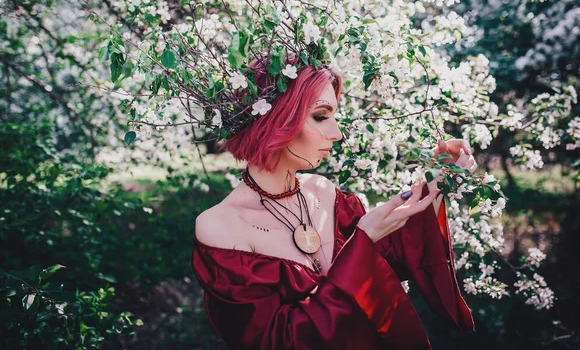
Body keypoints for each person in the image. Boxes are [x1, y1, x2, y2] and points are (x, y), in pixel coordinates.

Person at [192, 58, 477, 349]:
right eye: (320, 116)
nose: (337, 133)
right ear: (275, 117)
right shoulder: (220, 227)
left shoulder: (323, 191)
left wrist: (435, 178)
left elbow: (397, 258)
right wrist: (362, 243)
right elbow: (281, 340)